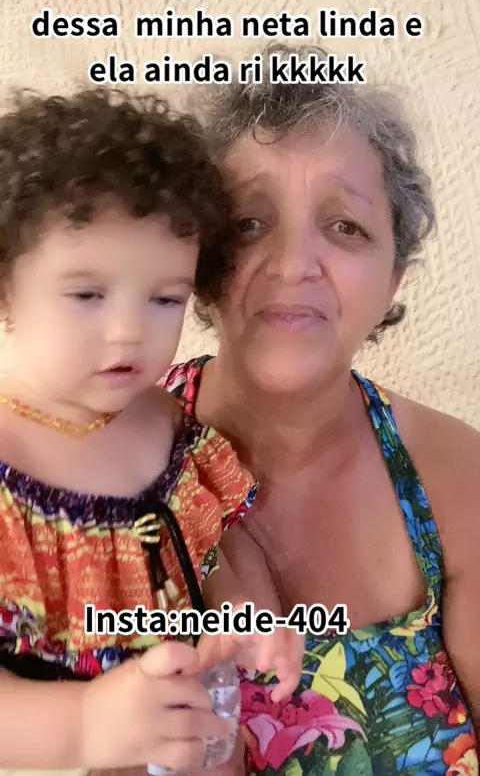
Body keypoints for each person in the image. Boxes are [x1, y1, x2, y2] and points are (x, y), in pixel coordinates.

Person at [162, 43, 480, 775]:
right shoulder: (101, 464)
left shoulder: (456, 473)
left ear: (393, 277)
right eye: (248, 223)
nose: (293, 264)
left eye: (345, 226)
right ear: (195, 260)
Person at [0, 88, 302, 774]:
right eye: (87, 294)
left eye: (165, 298)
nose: (129, 331)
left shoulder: (166, 425)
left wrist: (250, 620)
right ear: (7, 287)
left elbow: (211, 558)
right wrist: (82, 725)